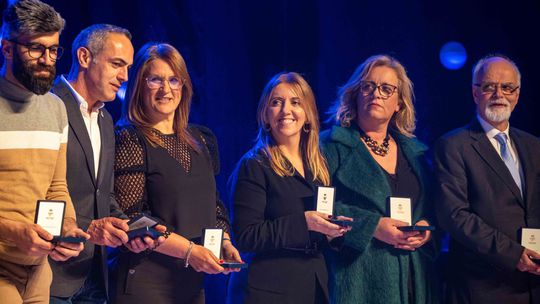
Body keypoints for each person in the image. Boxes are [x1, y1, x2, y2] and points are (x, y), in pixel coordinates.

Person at [112, 42, 242, 304]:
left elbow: (214, 205)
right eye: (155, 80)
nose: (166, 89)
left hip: (191, 283)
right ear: (138, 84)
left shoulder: (201, 139)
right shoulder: (130, 138)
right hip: (145, 282)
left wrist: (225, 243)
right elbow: (134, 218)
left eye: (174, 80)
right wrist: (190, 251)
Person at [49, 24, 157, 304]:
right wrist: (89, 227)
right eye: (117, 64)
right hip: (50, 275)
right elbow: (33, 194)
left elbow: (103, 194)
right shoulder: (46, 106)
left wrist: (128, 229)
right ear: (84, 57)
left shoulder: (107, 120)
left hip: (95, 278)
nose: (124, 76)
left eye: (127, 67)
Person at [321, 55, 439, 303]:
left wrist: (426, 230)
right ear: (356, 94)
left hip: (412, 278)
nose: (377, 94)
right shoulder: (331, 146)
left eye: (387, 89)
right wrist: (371, 226)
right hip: (359, 279)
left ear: (399, 103)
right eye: (368, 86)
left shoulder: (417, 153)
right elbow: (320, 208)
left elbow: (432, 207)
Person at [229, 72, 349, 304]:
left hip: (313, 287)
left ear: (307, 115)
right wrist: (304, 222)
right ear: (266, 115)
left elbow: (320, 231)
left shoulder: (319, 167)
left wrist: (334, 232)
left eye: (295, 102)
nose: (286, 110)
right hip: (268, 291)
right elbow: (246, 236)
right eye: (276, 102)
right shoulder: (254, 164)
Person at [0, 1, 88, 303]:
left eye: (53, 50)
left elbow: (56, 187)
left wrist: (68, 228)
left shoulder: (55, 108)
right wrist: (13, 232)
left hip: (38, 271)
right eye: (36, 49)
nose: (47, 60)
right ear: (7, 48)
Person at [434, 54, 540, 303]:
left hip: (533, 285)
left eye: (507, 87)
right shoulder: (453, 145)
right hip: (484, 287)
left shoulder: (534, 146)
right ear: (475, 92)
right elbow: (454, 216)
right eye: (489, 87)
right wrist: (513, 254)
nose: (498, 94)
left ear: (518, 94)